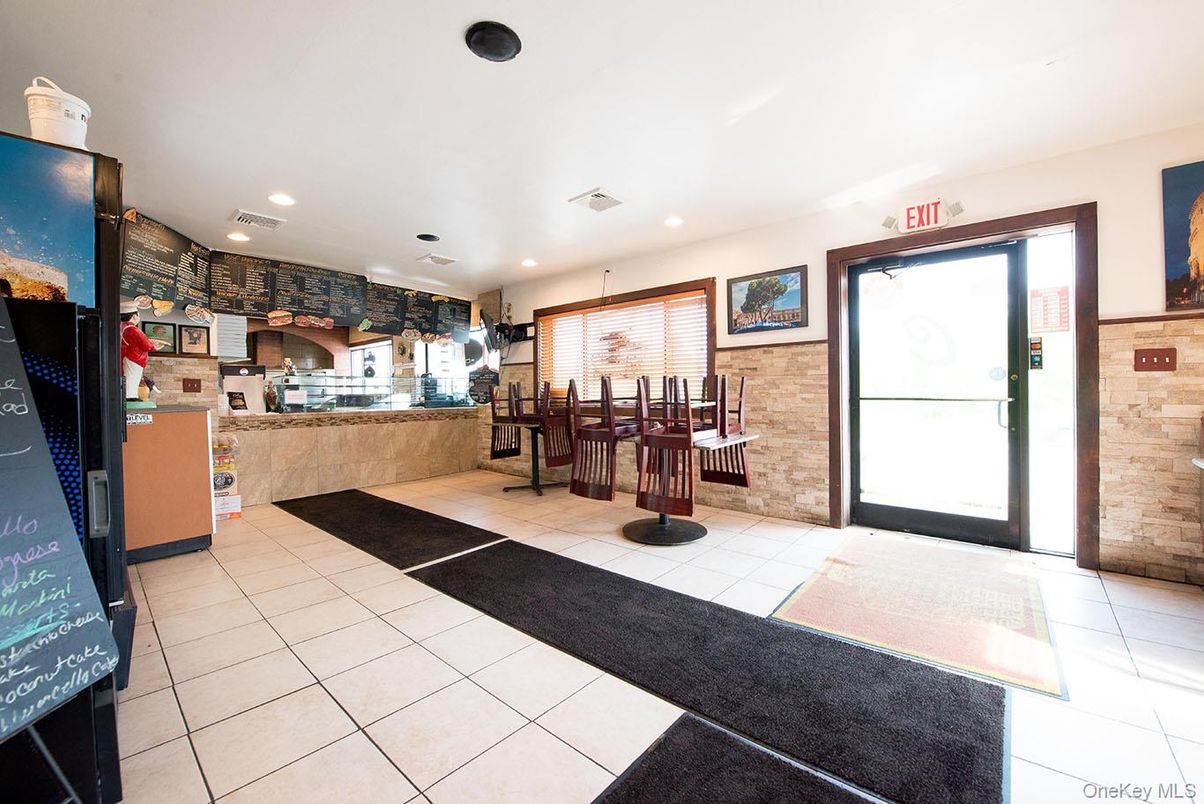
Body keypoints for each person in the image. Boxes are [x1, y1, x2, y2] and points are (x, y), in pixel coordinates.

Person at [120, 300, 156, 400]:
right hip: (135, 357)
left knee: (131, 375)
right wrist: (155, 346)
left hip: (128, 356)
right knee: (132, 376)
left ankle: (130, 395)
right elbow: (146, 345)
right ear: (134, 316)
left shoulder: (123, 327)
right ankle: (130, 396)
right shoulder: (133, 329)